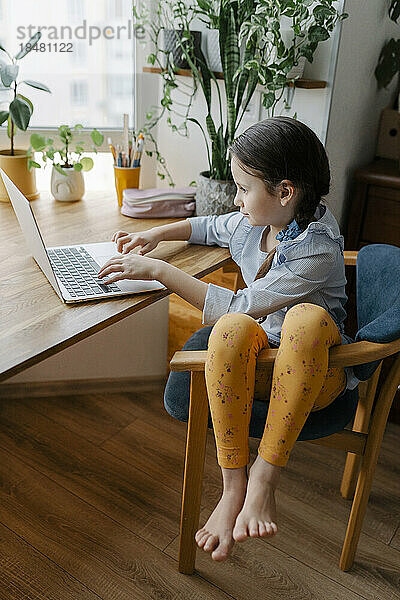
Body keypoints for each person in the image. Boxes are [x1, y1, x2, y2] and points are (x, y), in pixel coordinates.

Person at [97, 116, 358, 564]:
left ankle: (265, 478)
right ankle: (233, 486)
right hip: (260, 367)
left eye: (242, 188)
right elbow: (209, 227)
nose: (236, 199)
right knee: (232, 331)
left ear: (285, 191)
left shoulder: (316, 248)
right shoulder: (262, 219)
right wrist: (154, 235)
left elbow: (240, 303)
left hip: (315, 377)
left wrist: (162, 271)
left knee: (306, 321)